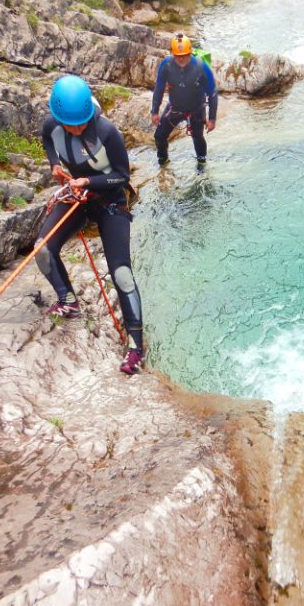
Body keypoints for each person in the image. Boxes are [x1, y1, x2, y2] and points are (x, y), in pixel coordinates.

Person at [35, 74, 145, 375]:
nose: (77, 129)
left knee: (121, 273)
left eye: (81, 124)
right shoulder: (52, 125)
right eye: (71, 125)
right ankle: (68, 300)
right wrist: (54, 164)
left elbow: (122, 176)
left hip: (110, 202)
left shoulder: (107, 132)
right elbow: (48, 140)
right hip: (78, 197)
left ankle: (136, 348)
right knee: (42, 248)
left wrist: (88, 181)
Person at [151, 32, 218, 166]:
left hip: (196, 110)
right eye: (178, 56)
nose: (181, 59)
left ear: (190, 53)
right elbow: (159, 87)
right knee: (159, 135)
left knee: (197, 138)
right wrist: (155, 111)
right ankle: (163, 161)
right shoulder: (167, 65)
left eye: (184, 55)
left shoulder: (201, 67)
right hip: (174, 108)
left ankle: (202, 163)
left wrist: (212, 119)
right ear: (173, 54)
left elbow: (212, 93)